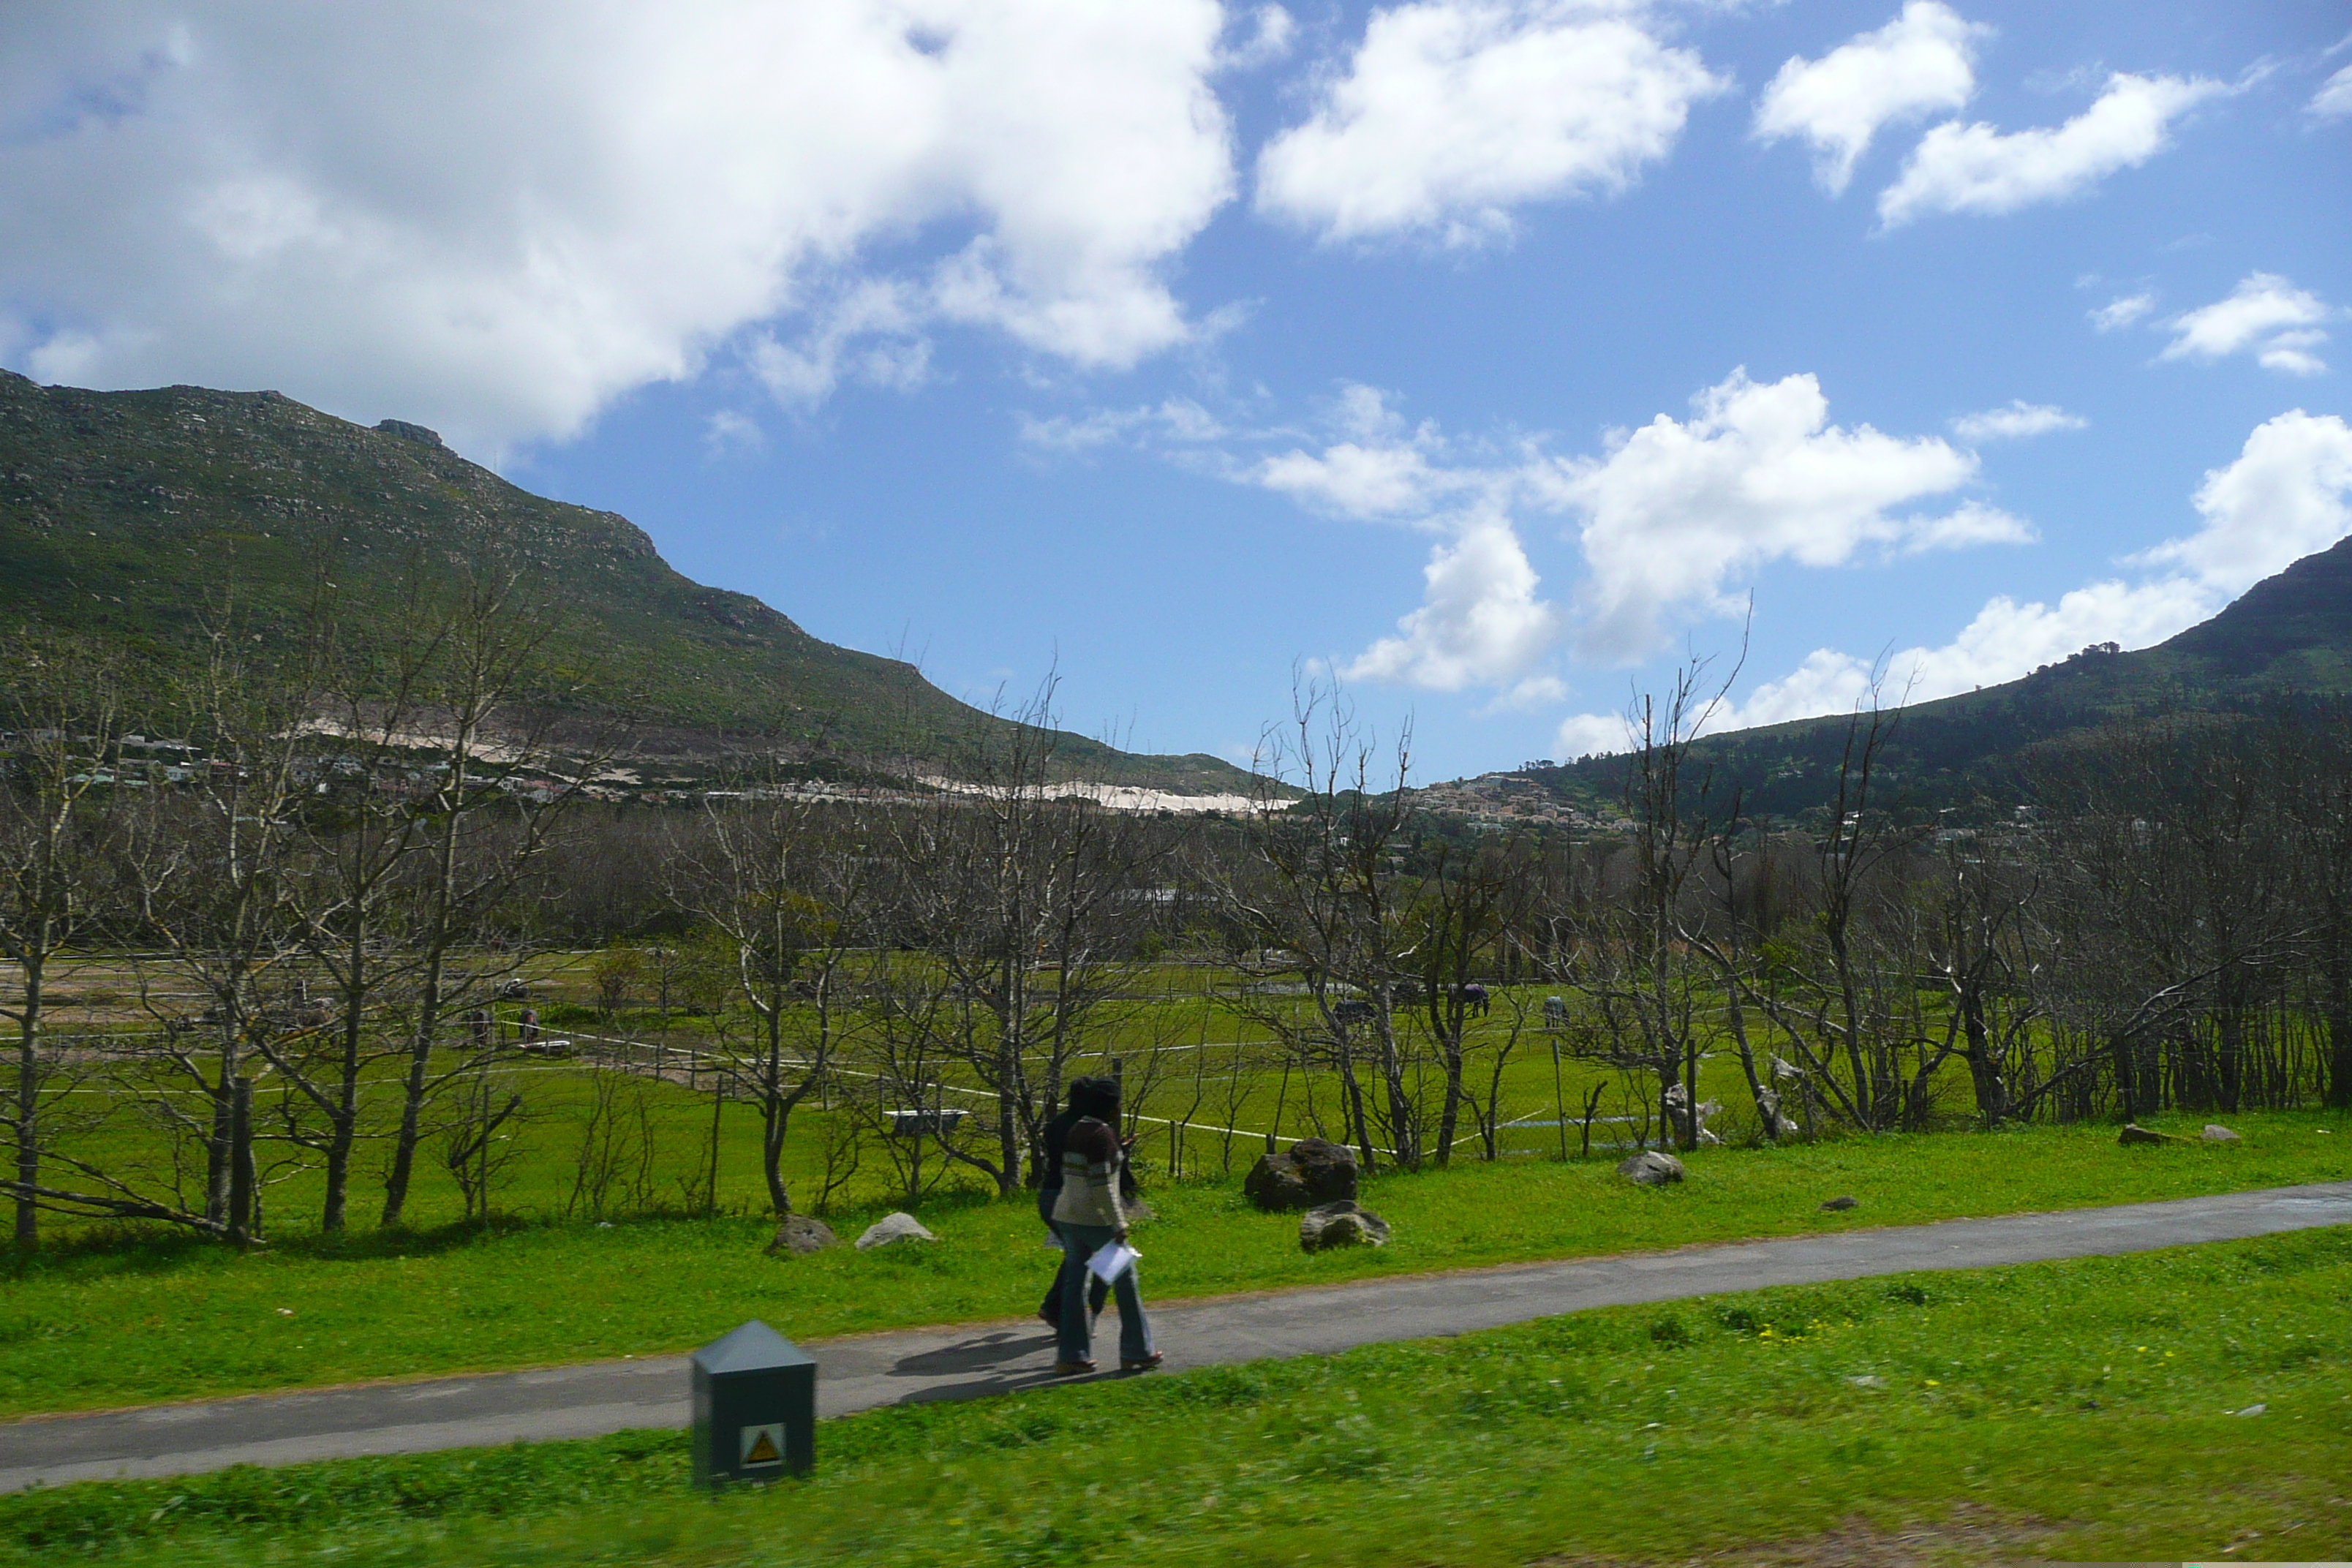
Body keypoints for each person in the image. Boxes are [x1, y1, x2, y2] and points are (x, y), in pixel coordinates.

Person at [1049, 1077, 1160, 1375]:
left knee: (1075, 1288)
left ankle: (1071, 1355)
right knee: (1126, 1283)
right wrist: (1118, 1224)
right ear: (1110, 1108)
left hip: (1067, 1216)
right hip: (1095, 1222)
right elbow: (1102, 1188)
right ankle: (1137, 1350)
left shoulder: (1077, 1130)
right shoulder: (1102, 1136)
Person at [1036, 1082, 1109, 1328]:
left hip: (1049, 1194)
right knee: (1090, 1255)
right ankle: (1063, 1309)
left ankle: (1059, 1309)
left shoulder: (1057, 1124)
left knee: (1078, 1254)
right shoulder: (1085, 1129)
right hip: (1071, 1196)